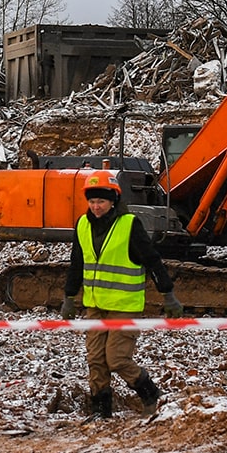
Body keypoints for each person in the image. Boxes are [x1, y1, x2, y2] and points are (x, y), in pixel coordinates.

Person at [59, 169, 183, 419]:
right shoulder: (83, 225)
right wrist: (69, 297)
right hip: (95, 305)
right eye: (92, 201)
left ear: (113, 200)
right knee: (95, 360)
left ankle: (150, 395)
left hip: (124, 306)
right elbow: (76, 263)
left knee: (116, 359)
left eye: (101, 201)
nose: (95, 206)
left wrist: (168, 294)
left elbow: (152, 260)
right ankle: (101, 411)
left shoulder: (129, 225)